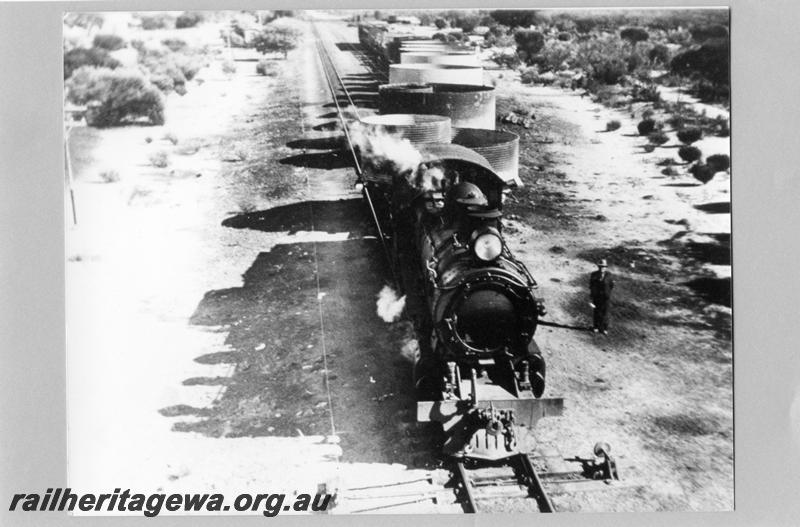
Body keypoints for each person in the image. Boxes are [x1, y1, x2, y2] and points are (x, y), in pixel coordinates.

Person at [589, 259, 614, 334]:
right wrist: (592, 296)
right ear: (598, 267)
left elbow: (611, 285)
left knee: (605, 312)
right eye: (600, 266)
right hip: (597, 296)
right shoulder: (594, 274)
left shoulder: (609, 275)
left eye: (603, 267)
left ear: (606, 267)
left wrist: (607, 292)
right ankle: (596, 327)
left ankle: (605, 328)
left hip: (606, 297)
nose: (602, 268)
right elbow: (591, 285)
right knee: (597, 311)